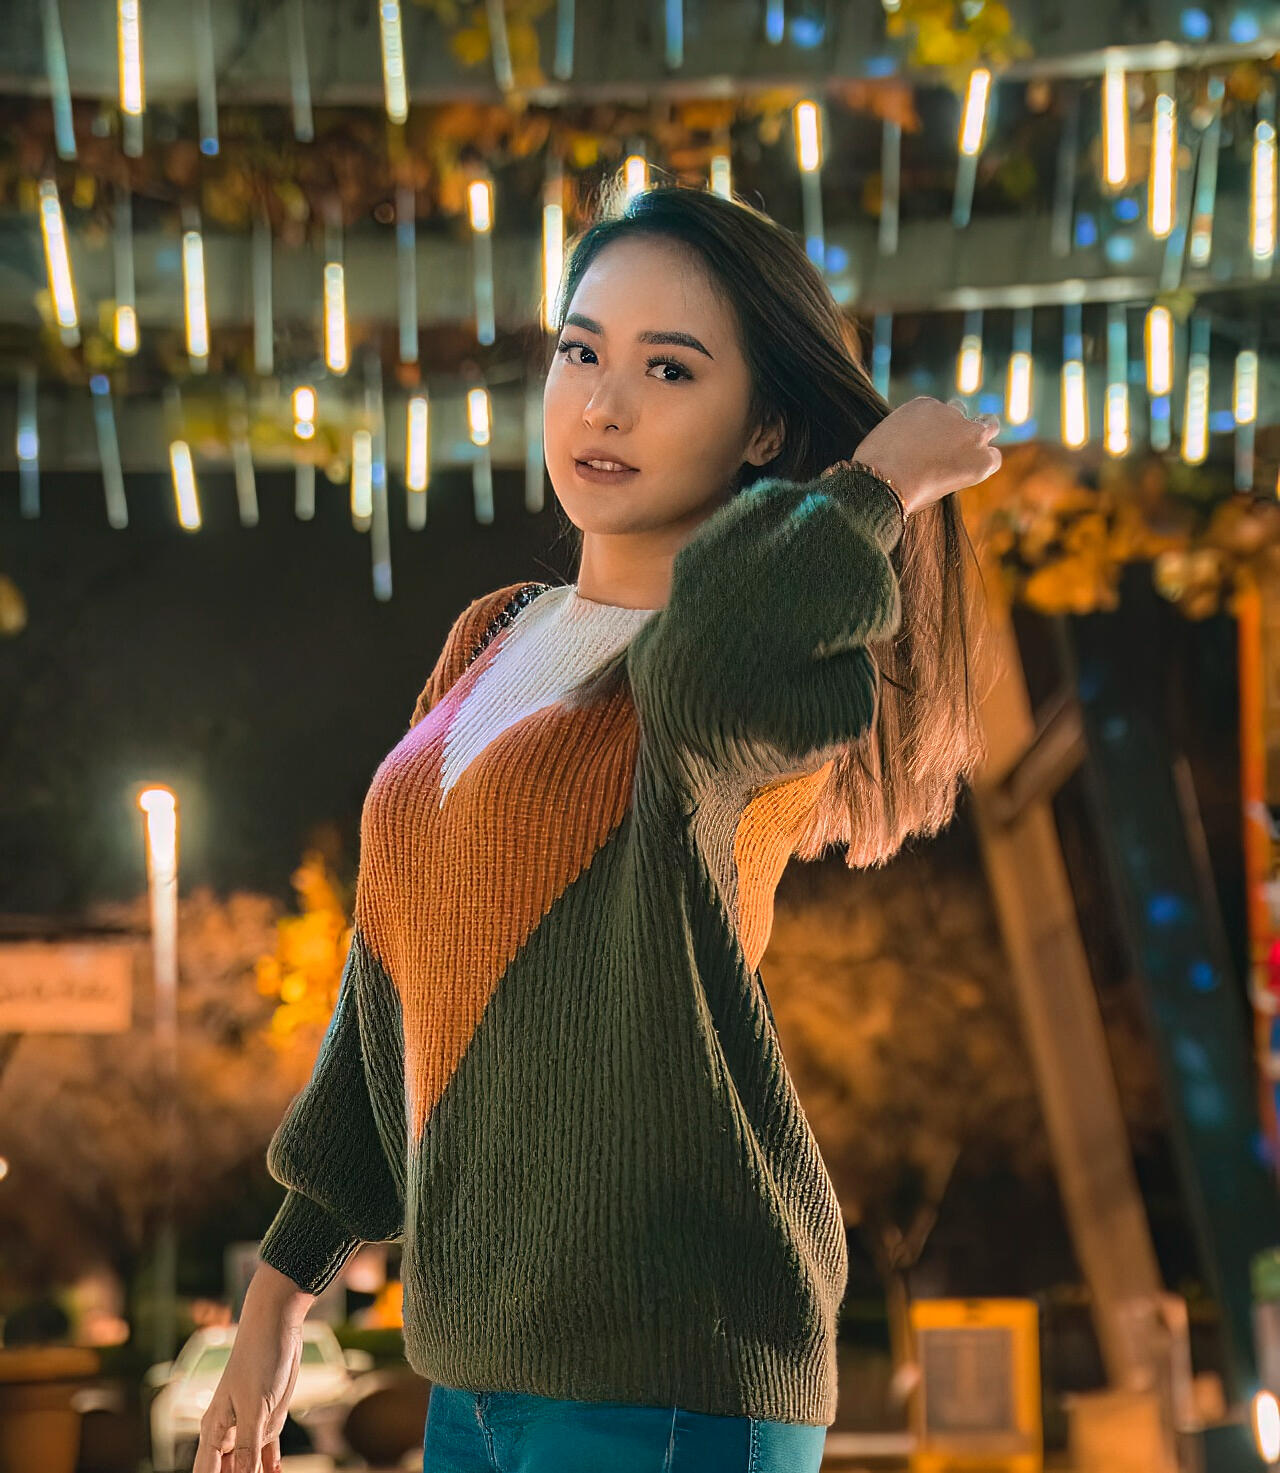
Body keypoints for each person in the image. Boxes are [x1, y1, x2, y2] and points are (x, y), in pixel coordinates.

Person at [194, 180, 1000, 1473]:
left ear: (764, 426)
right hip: (480, 1358)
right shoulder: (489, 636)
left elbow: (707, 656)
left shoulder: (741, 671)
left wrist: (876, 489)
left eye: (670, 369)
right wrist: (285, 1280)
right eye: (582, 350)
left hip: (674, 1359)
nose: (604, 402)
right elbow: (390, 964)